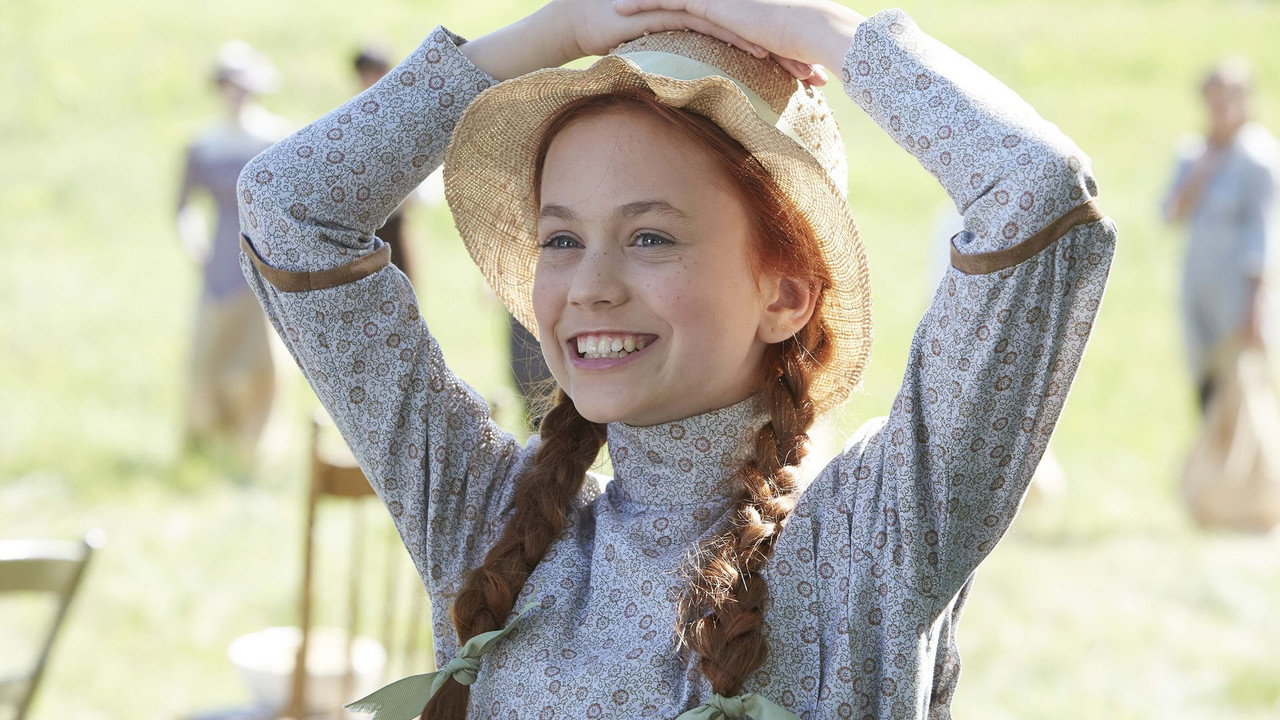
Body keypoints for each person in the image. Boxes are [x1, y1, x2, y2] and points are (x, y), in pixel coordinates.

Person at [235, 0, 1115, 716]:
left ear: (786, 293)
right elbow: (286, 208)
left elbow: (1035, 191)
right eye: (561, 239)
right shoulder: (485, 517)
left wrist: (819, 32)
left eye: (650, 236)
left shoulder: (873, 536)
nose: (590, 287)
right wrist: (559, 30)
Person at [176, 40, 288, 466]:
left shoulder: (275, 137)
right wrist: (195, 246)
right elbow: (183, 207)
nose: (235, 93)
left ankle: (256, 443)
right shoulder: (204, 144)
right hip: (220, 255)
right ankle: (206, 436)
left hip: (261, 255)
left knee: (260, 355)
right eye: (227, 84)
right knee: (210, 351)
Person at [1162, 57, 1280, 410]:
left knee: (1244, 394)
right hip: (1199, 285)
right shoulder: (1193, 153)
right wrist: (1203, 168)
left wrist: (1254, 306)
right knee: (1207, 387)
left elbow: (1263, 234)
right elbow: (1171, 214)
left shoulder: (1259, 159)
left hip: (1238, 294)